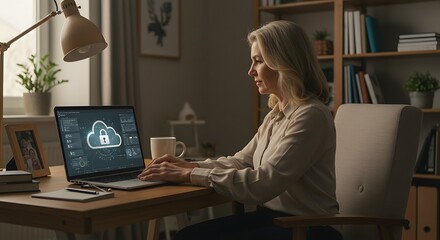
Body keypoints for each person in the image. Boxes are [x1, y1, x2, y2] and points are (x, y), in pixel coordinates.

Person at [138, 20, 342, 240]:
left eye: (258, 61)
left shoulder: (311, 115)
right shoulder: (277, 114)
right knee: (186, 235)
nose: (250, 71)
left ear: (283, 62)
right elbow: (242, 161)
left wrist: (190, 174)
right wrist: (192, 165)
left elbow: (263, 183)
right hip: (273, 219)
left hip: (307, 228)